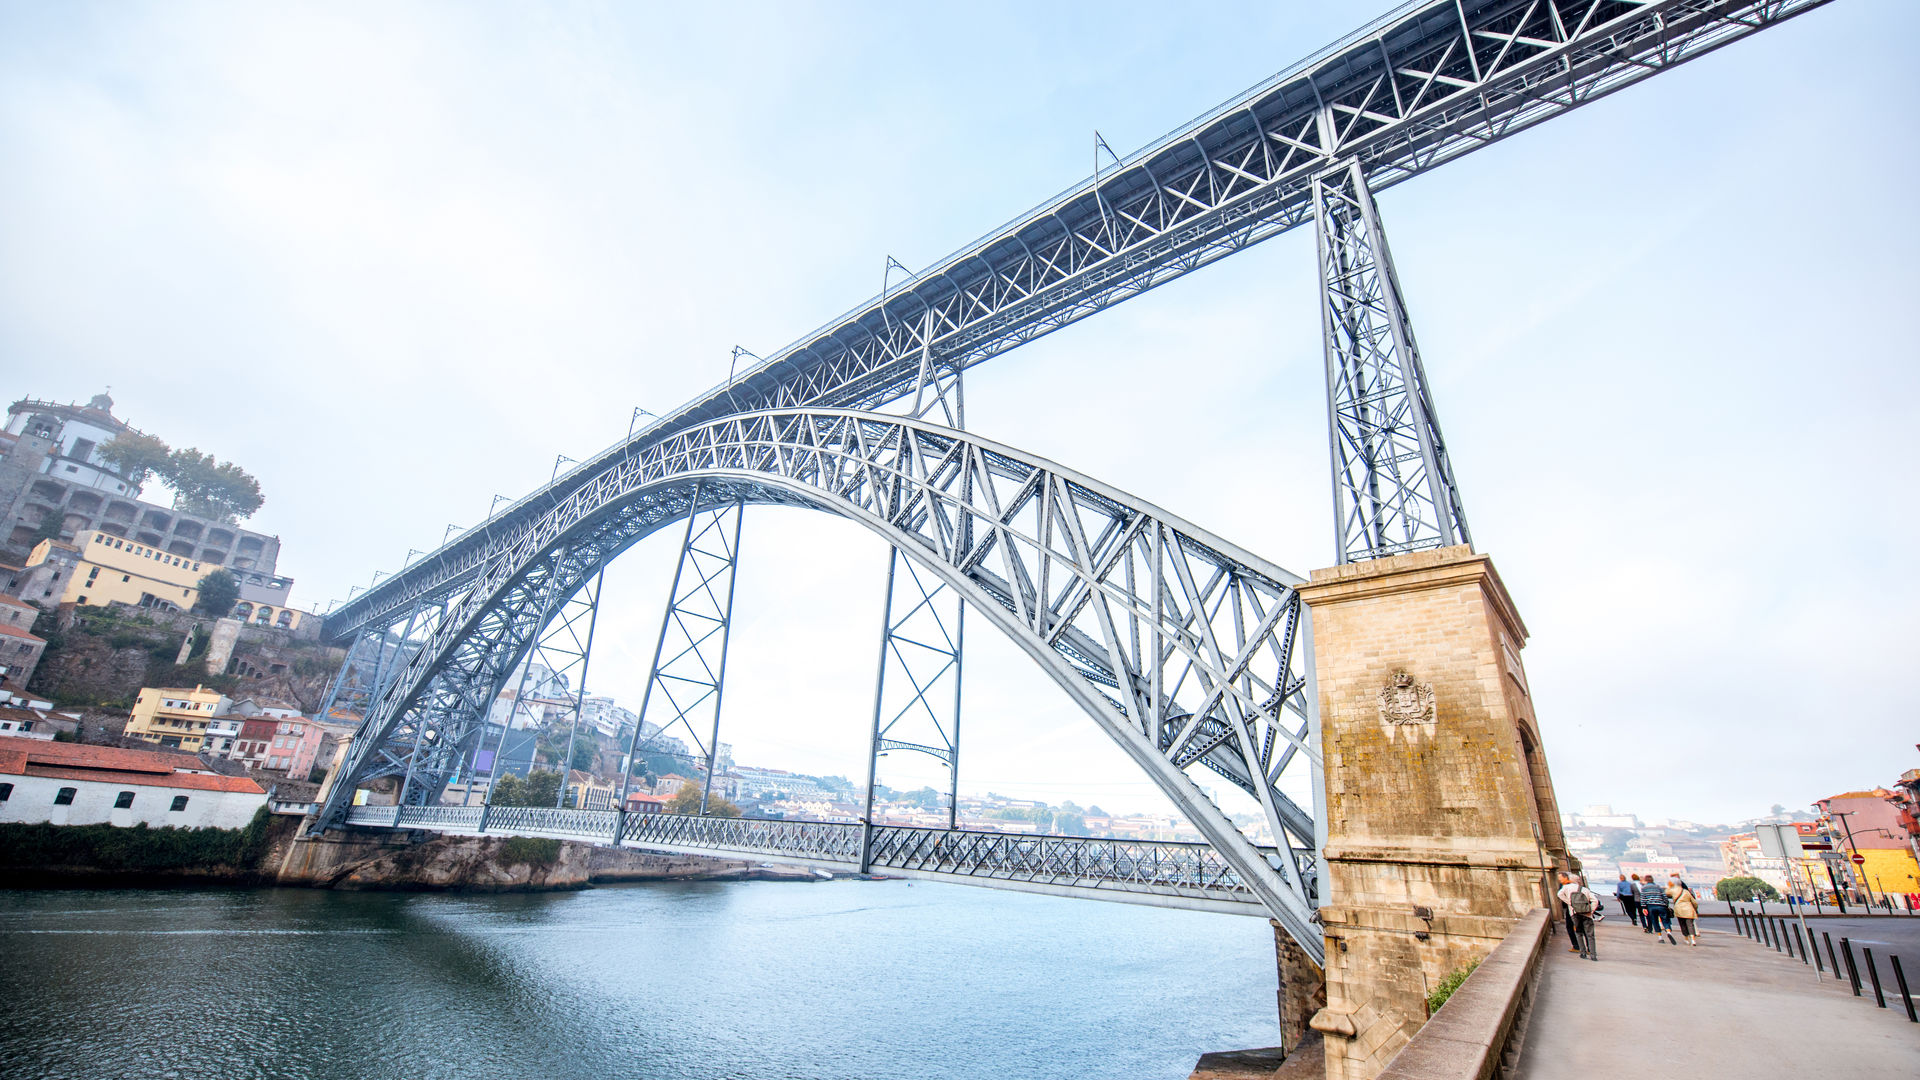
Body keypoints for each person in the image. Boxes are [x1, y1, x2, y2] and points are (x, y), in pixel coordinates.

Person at [1557, 872, 1600, 961]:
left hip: (1574, 913)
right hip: (1586, 914)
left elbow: (1559, 895)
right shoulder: (1585, 890)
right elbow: (1595, 901)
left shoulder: (1566, 888)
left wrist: (1570, 903)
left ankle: (1582, 952)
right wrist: (1590, 910)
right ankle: (1593, 955)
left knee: (1578, 933)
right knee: (1590, 935)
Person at [1639, 873, 1675, 944]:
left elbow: (1643, 899)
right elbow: (1664, 897)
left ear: (1646, 880)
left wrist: (1643, 907)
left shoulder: (1644, 888)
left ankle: (1660, 937)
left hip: (1651, 906)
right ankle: (1668, 932)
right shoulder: (1658, 887)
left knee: (1655, 921)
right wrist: (1666, 904)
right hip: (1661, 905)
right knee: (1665, 920)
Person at [1667, 875, 1700, 946]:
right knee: (1690, 925)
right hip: (1689, 909)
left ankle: (1686, 938)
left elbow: (1666, 893)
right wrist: (1695, 909)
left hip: (1679, 909)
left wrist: (1670, 886)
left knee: (1683, 924)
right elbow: (1694, 902)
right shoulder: (1686, 891)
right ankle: (1693, 940)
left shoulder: (1672, 890)